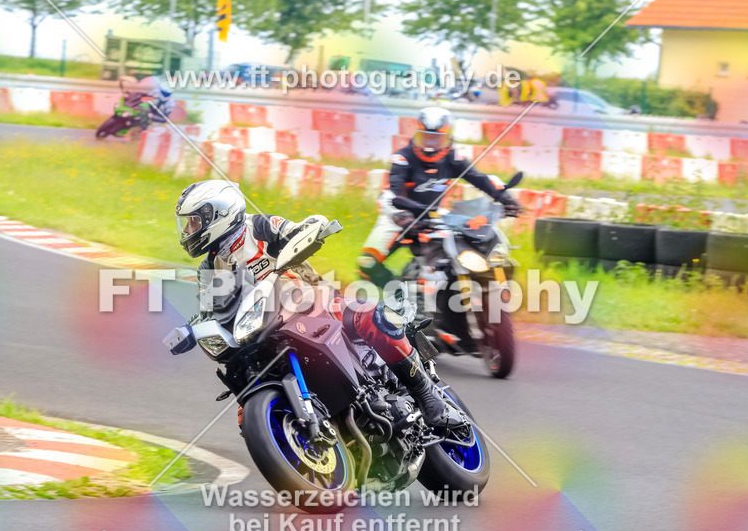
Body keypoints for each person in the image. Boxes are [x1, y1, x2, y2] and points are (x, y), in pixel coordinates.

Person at [175, 179, 463, 428]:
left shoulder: (258, 227)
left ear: (220, 213)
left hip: (312, 300)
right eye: (187, 224)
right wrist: (193, 329)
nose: (188, 230)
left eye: (194, 222)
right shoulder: (209, 268)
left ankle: (427, 395)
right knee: (246, 402)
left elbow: (293, 229)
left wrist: (311, 227)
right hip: (262, 326)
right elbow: (209, 309)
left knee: (375, 318)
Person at [357, 106, 521, 288]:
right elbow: (394, 194)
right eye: (426, 136)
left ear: (448, 137)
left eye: (437, 138)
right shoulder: (402, 158)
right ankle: (397, 294)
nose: (430, 145)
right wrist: (401, 215)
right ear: (417, 133)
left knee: (471, 247)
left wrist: (505, 199)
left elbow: (480, 179)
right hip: (398, 216)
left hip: (434, 217)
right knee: (366, 263)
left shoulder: (454, 158)